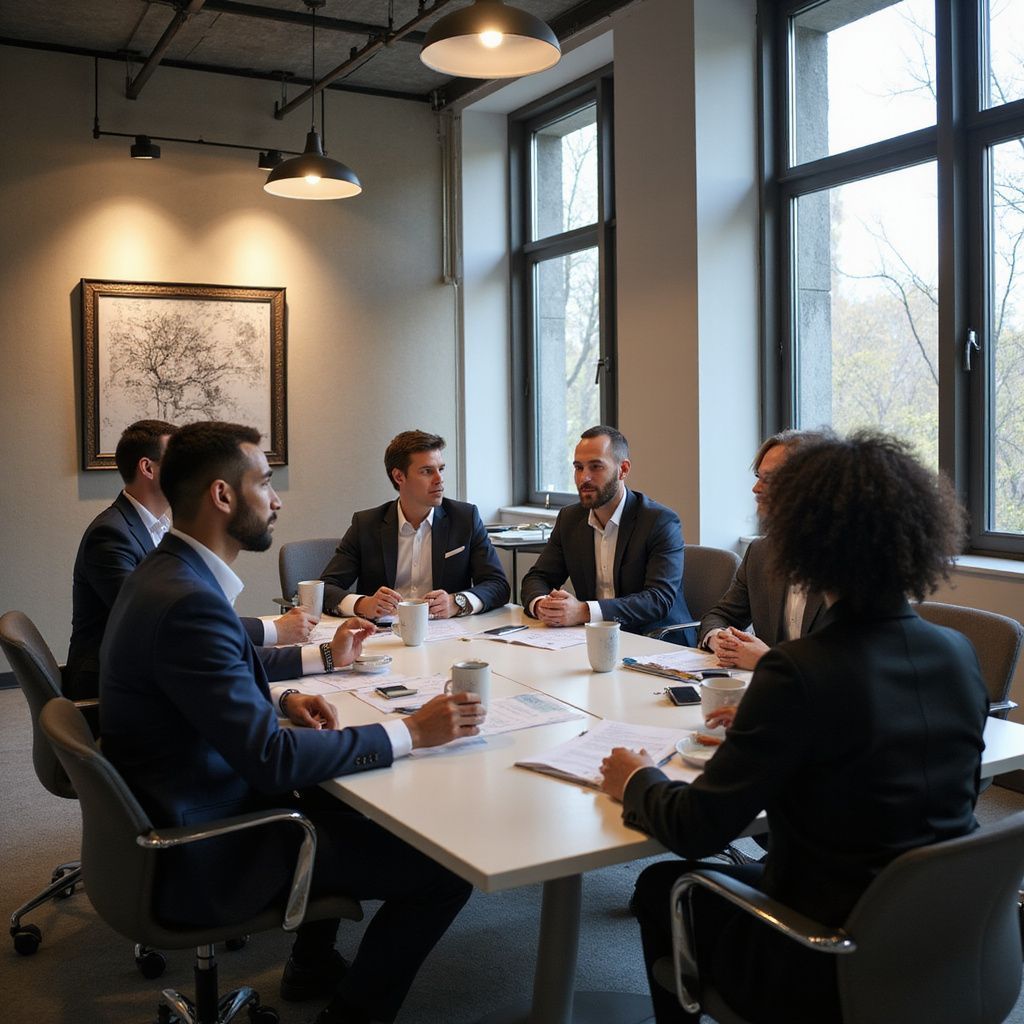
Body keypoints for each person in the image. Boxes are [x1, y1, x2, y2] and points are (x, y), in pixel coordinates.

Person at [101, 421, 485, 1024]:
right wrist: (412, 731)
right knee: (444, 869)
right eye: (264, 483)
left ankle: (310, 963)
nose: (277, 500)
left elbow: (214, 671)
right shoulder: (189, 599)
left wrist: (282, 701)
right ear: (223, 497)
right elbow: (273, 761)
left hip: (190, 797)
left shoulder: (170, 574)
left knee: (356, 807)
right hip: (209, 841)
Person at [599, 430, 987, 1024]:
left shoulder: (801, 672)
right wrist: (766, 727)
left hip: (823, 950)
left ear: (805, 539)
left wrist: (635, 779)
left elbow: (697, 830)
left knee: (662, 884)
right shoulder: (957, 653)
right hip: (945, 935)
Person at [65, 420, 318, 701]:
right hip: (110, 687)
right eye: (175, 458)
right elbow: (175, 624)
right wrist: (274, 631)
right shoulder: (110, 534)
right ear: (148, 469)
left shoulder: (161, 527)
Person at [519, 425, 692, 641]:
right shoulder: (570, 519)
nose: (584, 478)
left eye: (596, 467)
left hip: (657, 642)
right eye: (578, 467)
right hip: (595, 640)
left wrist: (583, 611)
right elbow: (538, 577)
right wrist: (542, 605)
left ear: (623, 470)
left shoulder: (660, 521)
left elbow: (658, 600)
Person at [320, 430, 509, 619]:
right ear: (399, 477)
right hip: (382, 634)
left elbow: (498, 585)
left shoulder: (465, 518)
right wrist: (363, 604)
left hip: (447, 632)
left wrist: (457, 602)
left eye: (441, 469)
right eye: (427, 471)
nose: (439, 479)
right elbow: (326, 588)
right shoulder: (367, 524)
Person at [698, 430, 827, 669]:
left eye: (769, 479)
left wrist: (770, 662)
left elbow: (854, 664)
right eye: (758, 477)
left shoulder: (852, 562)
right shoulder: (760, 552)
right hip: (766, 692)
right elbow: (720, 616)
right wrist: (719, 639)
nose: (756, 489)